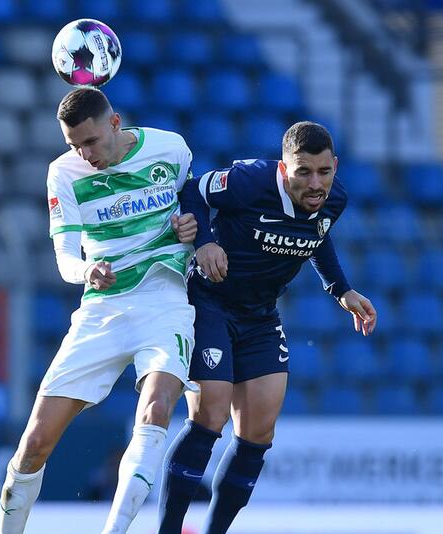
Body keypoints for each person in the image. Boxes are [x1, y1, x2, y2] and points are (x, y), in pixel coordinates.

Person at [157, 121, 378, 534]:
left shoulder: (335, 199)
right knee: (212, 412)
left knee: (259, 430)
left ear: (335, 165)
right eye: (304, 172)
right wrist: (204, 240)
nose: (316, 184)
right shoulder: (250, 181)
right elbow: (193, 190)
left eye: (324, 172)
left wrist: (340, 289)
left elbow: (317, 233)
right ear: (284, 167)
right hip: (210, 302)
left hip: (260, 316)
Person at [0, 87, 200, 534]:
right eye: (74, 145)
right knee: (34, 443)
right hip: (102, 310)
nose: (84, 154)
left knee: (156, 409)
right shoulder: (63, 173)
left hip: (162, 302)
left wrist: (194, 229)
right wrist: (86, 271)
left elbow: (198, 208)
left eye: (90, 142)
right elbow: (65, 254)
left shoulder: (171, 148)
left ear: (115, 123)